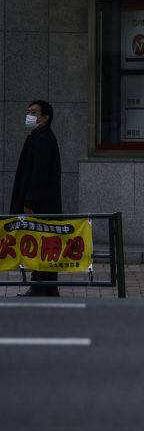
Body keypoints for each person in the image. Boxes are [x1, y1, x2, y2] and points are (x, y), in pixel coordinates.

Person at [9, 100, 63, 297]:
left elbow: (38, 175)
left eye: (33, 112)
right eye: (28, 112)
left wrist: (29, 202)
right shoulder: (39, 137)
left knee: (39, 242)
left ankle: (41, 285)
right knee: (44, 243)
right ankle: (47, 285)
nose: (29, 116)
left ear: (45, 117)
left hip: (39, 204)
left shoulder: (42, 139)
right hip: (44, 202)